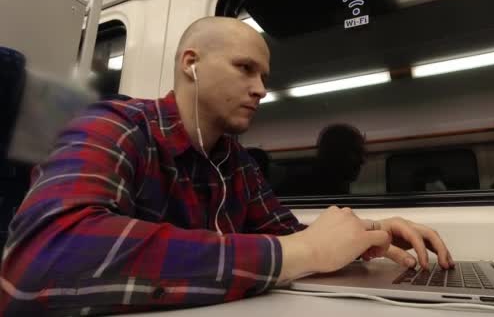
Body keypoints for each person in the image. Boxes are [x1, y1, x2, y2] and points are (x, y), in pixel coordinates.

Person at [0, 17, 454, 315]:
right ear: (191, 64)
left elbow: (289, 237)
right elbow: (42, 258)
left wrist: (366, 237)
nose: (260, 89)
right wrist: (297, 255)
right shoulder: (115, 126)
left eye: (265, 78)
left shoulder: (234, 161)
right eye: (245, 68)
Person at [276, 123, 366, 196]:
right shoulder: (300, 187)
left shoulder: (339, 187)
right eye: (356, 152)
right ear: (336, 153)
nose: (362, 161)